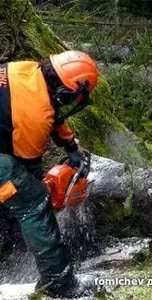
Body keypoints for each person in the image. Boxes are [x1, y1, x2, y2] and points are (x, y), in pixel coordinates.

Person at [0, 50, 99, 298]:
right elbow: (27, 166)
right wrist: (45, 191)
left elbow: (51, 112)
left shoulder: (25, 70)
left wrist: (72, 147)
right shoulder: (35, 117)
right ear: (68, 91)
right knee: (33, 203)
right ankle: (59, 282)